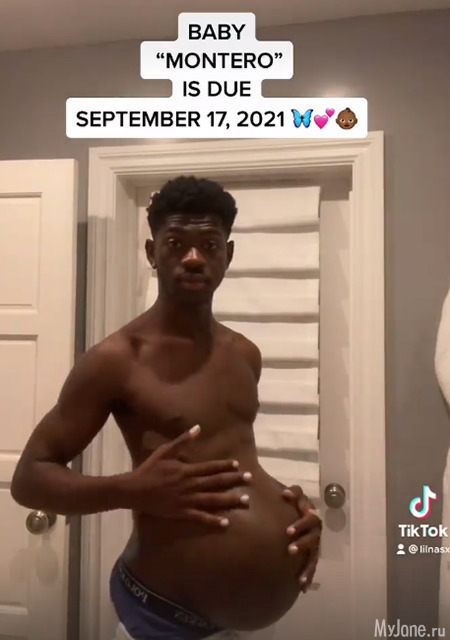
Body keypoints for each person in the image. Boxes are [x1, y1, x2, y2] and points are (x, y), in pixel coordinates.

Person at [11, 176, 322, 640]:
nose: (193, 257)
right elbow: (29, 479)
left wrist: (291, 507)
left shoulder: (245, 354)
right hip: (160, 616)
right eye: (175, 243)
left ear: (227, 256)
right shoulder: (117, 359)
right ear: (152, 252)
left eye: (209, 245)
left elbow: (232, 459)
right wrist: (130, 489)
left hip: (241, 626)